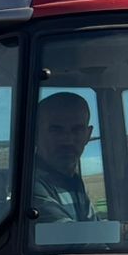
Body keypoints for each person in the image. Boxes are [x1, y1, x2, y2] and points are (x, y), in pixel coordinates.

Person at [32, 91, 95, 223]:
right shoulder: (29, 184)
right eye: (56, 130)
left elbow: (93, 228)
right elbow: (66, 233)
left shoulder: (74, 181)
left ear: (88, 135)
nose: (67, 140)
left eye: (77, 130)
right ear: (35, 134)